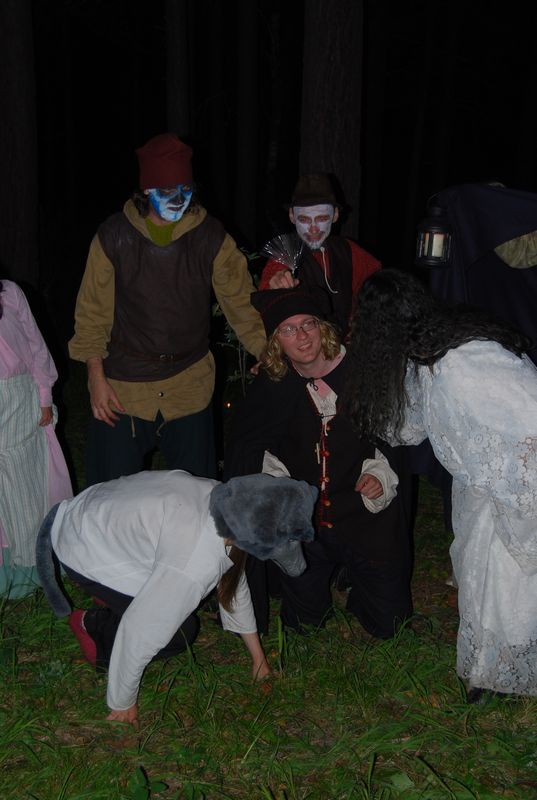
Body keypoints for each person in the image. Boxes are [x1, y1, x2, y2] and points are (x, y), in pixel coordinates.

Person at [341, 267, 537, 701]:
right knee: (479, 574)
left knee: (510, 580)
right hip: (483, 490)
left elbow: (530, 419)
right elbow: (406, 425)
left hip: (519, 487)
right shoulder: (428, 360)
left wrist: (520, 493)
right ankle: (491, 671)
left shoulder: (465, 360)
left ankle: (505, 678)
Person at [36, 469, 318, 727]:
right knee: (179, 632)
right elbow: (138, 630)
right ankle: (93, 624)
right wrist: (122, 703)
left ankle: (113, 594)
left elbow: (232, 580)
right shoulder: (194, 561)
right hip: (81, 544)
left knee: (169, 597)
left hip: (95, 514)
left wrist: (258, 659)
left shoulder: (226, 502)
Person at [69, 132, 266, 485]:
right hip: (125, 385)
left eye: (184, 190)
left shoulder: (211, 237)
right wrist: (95, 377)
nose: (178, 200)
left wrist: (267, 350)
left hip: (189, 382)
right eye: (166, 191)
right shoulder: (113, 236)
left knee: (196, 495)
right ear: (146, 190)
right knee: (112, 495)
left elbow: (240, 303)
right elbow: (92, 313)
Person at [224, 287, 413, 638]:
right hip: (305, 528)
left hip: (365, 520)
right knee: (303, 626)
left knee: (391, 626)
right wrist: (277, 488)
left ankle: (357, 582)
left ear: (322, 327)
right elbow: (254, 450)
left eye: (308, 324)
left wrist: (380, 475)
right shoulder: (274, 384)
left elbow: (394, 439)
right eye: (288, 329)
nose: (302, 336)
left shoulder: (363, 372)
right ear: (276, 341)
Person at [0, 278, 72, 598]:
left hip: (19, 401)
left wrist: (44, 394)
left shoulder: (8, 292)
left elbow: (35, 343)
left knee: (24, 486)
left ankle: (33, 566)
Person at [258, 173, 381, 337]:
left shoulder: (348, 249)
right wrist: (274, 286)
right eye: (304, 220)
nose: (314, 229)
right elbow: (268, 287)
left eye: (322, 218)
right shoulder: (286, 252)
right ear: (292, 216)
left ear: (335, 215)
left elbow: (378, 285)